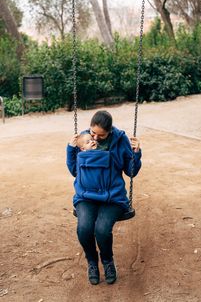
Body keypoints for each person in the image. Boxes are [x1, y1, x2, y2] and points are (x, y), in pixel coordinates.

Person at [66, 110, 142, 285]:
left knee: (101, 230)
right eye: (93, 133)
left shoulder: (120, 139)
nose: (95, 138)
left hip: (112, 197)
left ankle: (107, 262)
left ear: (109, 131)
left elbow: (131, 172)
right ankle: (92, 263)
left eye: (101, 135)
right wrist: (71, 149)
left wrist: (136, 154)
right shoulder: (84, 139)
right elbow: (75, 170)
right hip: (87, 196)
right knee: (84, 229)